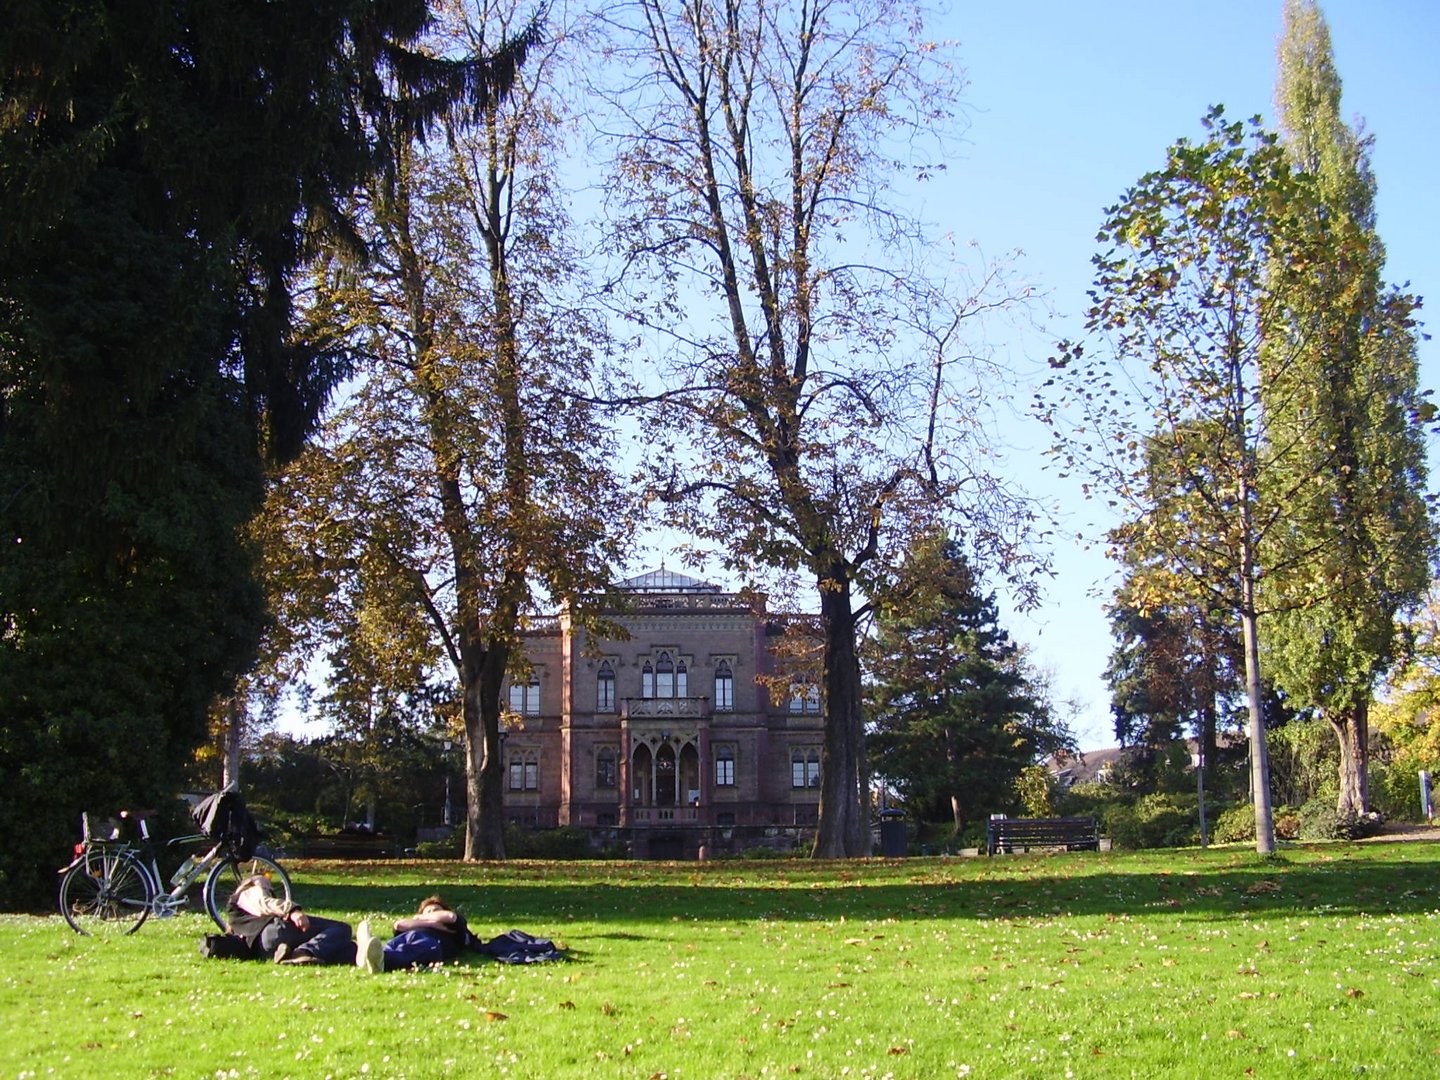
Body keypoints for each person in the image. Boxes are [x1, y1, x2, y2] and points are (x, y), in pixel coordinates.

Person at [225, 873, 357, 966]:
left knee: (346, 947)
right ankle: (303, 952)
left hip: (264, 951)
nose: (268, 886)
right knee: (341, 928)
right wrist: (292, 911)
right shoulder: (248, 893)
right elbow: (265, 902)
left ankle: (357, 954)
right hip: (275, 932)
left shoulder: (233, 919)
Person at [356, 895, 472, 974]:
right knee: (391, 946)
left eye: (436, 910)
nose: (432, 913)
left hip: (433, 943)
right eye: (428, 911)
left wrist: (422, 918)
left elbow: (450, 917)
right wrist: (430, 923)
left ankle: (375, 959)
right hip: (407, 936)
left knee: (410, 950)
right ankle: (371, 955)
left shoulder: (453, 926)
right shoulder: (421, 922)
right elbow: (399, 925)